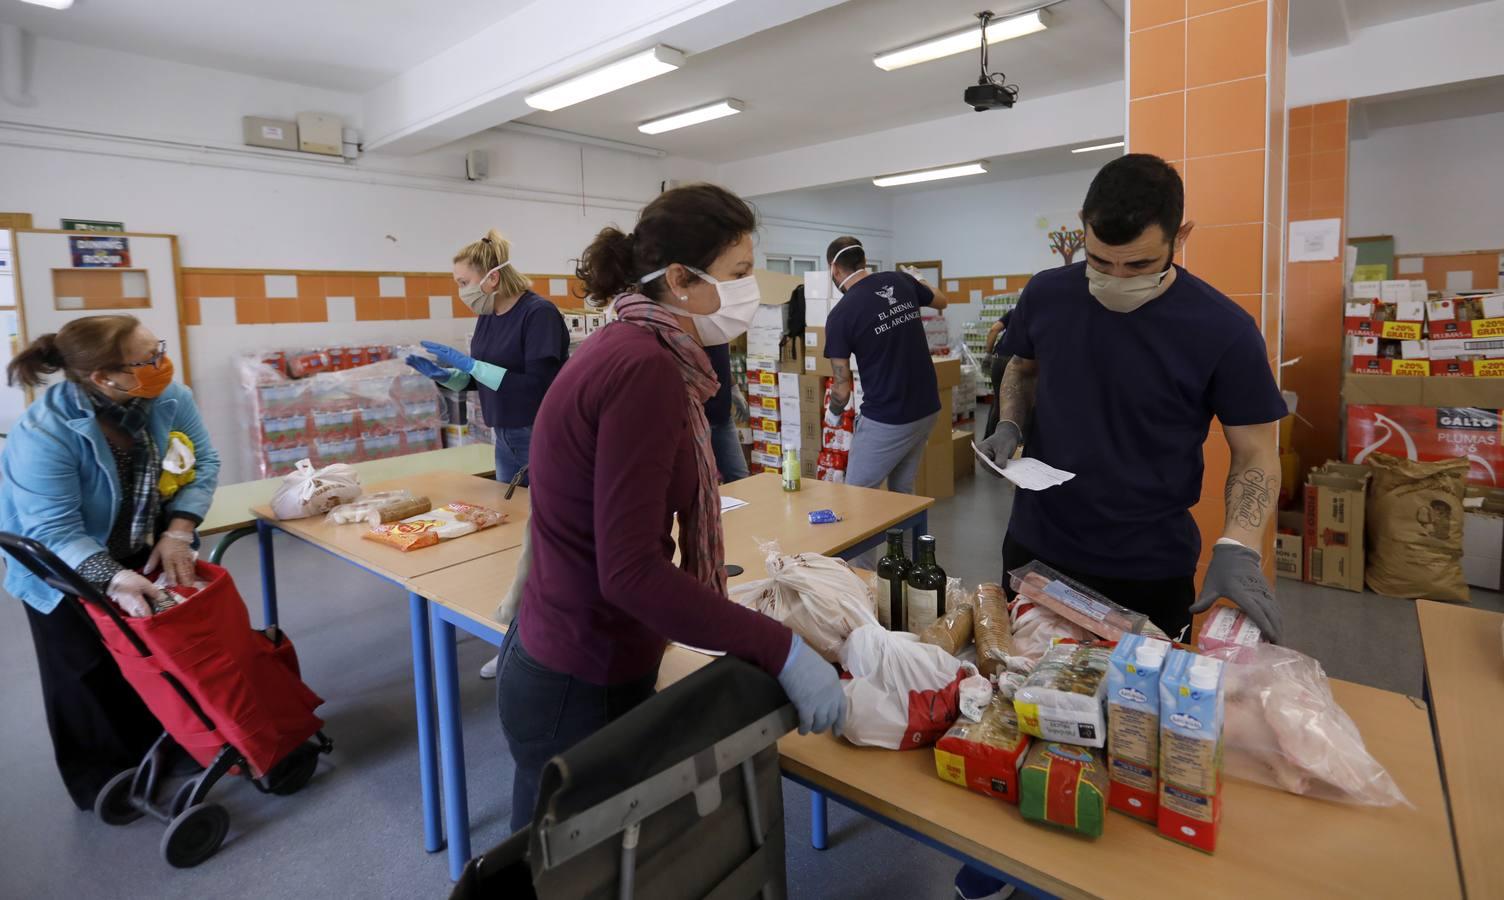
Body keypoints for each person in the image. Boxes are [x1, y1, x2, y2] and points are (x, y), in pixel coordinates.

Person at [966, 154, 1286, 899]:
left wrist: (1238, 544)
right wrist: (1012, 425)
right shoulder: (1048, 292)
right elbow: (1023, 364)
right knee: (1017, 704)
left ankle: (1107, 873)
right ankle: (1001, 854)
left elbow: (1257, 452)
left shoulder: (1222, 329)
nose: (1112, 277)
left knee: (1130, 732)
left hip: (1146, 562)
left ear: (1183, 237)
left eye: (1137, 262)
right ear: (1079, 236)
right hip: (1039, 544)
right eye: (1098, 259)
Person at [497, 184, 844, 833]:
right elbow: (629, 573)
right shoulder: (645, 370)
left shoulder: (627, 344)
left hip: (558, 649)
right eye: (739, 274)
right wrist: (782, 649)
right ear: (680, 280)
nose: (751, 291)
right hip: (581, 676)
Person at [0, 316, 220, 811]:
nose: (163, 364)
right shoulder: (45, 431)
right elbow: (53, 531)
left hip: (140, 538)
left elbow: (203, 462)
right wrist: (114, 576)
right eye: (148, 358)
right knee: (83, 667)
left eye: (158, 348)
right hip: (59, 558)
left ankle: (166, 746)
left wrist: (179, 531)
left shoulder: (167, 397)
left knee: (151, 652)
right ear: (104, 376)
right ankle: (103, 779)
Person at [406, 229, 570, 486]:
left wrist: (473, 366)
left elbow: (539, 386)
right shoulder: (488, 315)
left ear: (492, 278)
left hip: (537, 432)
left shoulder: (538, 314)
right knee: (510, 511)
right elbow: (484, 377)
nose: (460, 291)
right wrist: (450, 378)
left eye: (464, 283)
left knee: (540, 513)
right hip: (503, 433)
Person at [823, 237, 951, 495]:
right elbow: (941, 301)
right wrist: (919, 279)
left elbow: (842, 389)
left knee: (857, 495)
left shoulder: (841, 315)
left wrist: (833, 414)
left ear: (834, 270)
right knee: (901, 492)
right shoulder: (900, 281)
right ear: (864, 262)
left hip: (889, 417)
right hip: (927, 408)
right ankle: (907, 537)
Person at [703, 342, 750, 483]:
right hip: (698, 419)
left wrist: (734, 388)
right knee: (704, 483)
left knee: (740, 478)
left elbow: (722, 361)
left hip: (723, 416)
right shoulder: (686, 328)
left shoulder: (717, 326)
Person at [982, 310, 1012, 439]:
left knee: (997, 401)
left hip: (999, 359)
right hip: (1016, 361)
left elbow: (994, 329)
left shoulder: (1013, 312)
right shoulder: (1036, 314)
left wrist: (988, 354)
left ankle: (989, 439)